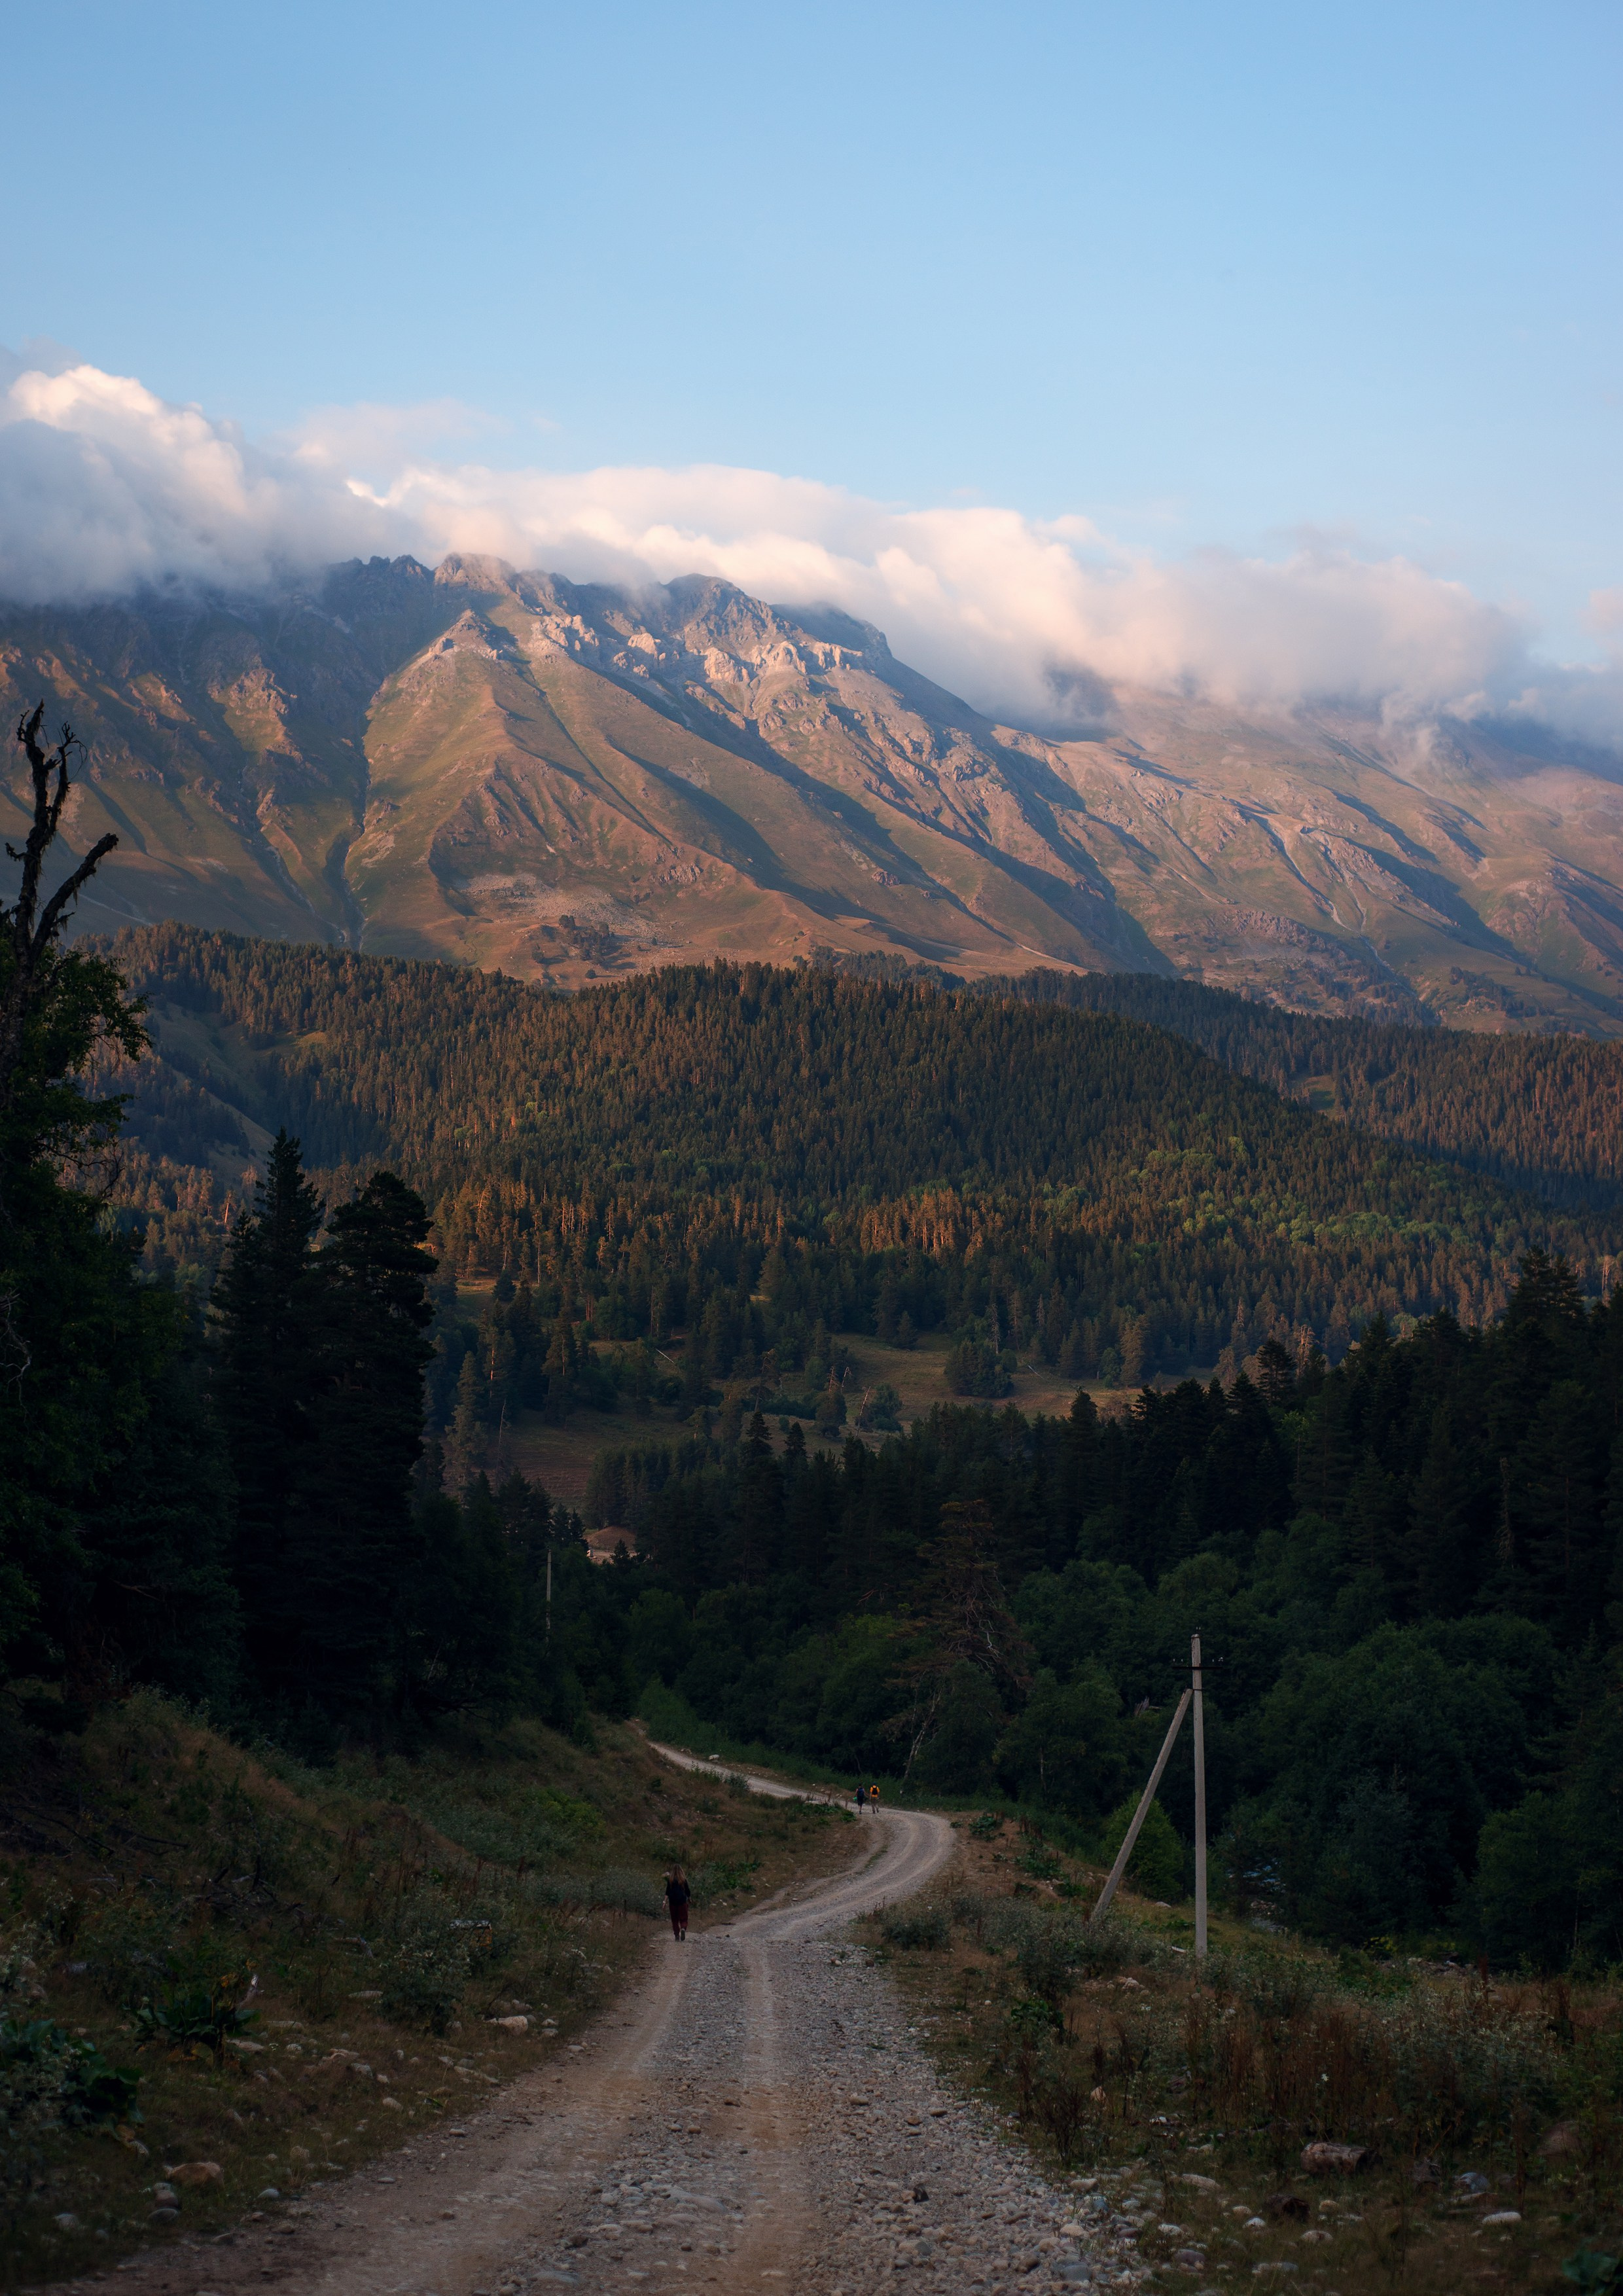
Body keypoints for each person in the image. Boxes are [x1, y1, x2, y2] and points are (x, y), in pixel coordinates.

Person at [664, 1865, 690, 1941]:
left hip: (673, 1902)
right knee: (684, 1919)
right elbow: (688, 1891)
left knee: (674, 1919)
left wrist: (664, 1902)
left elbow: (667, 1892)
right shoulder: (683, 1880)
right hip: (682, 1902)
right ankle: (683, 1928)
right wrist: (689, 1898)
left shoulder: (670, 1880)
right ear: (681, 1871)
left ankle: (676, 1935)